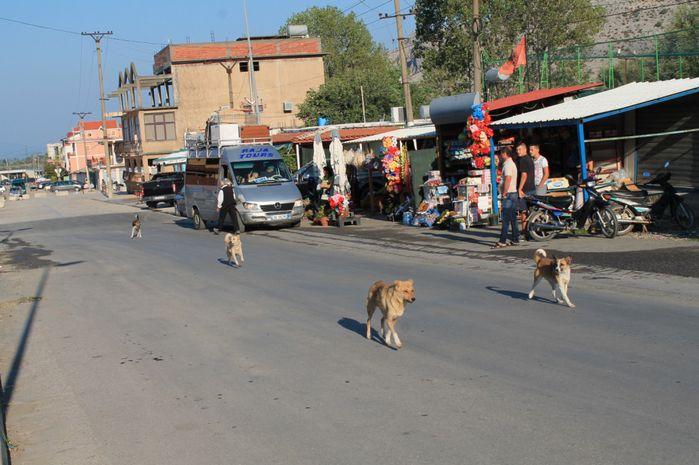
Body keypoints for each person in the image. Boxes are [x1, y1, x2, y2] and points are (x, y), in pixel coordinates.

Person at [492, 147, 519, 248]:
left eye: (501, 154)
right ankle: (515, 238)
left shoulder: (508, 164)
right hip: (513, 193)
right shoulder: (511, 164)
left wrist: (504, 192)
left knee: (506, 218)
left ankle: (502, 240)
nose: (500, 156)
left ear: (505, 154)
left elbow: (508, 178)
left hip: (509, 194)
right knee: (512, 218)